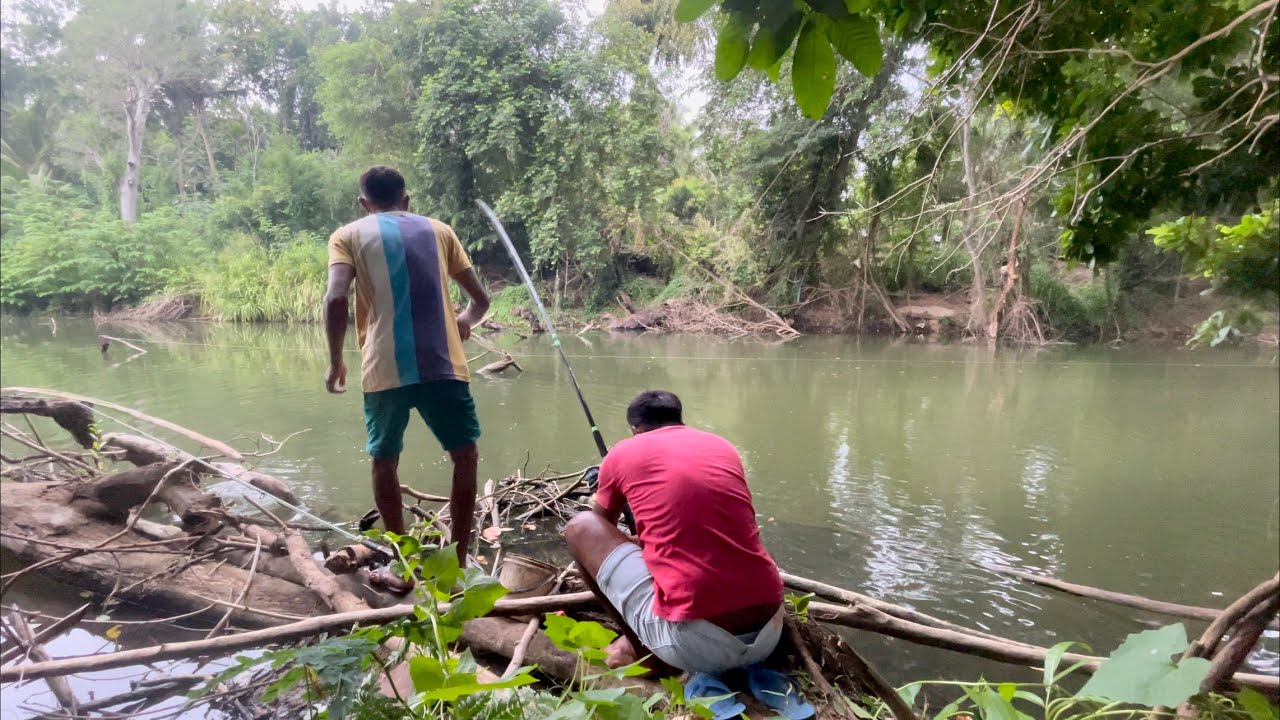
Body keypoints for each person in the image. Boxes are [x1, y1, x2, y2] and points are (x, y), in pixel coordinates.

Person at [323, 165, 490, 576]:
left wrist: (335, 360)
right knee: (464, 456)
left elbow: (334, 299)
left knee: (383, 459)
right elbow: (480, 301)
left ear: (364, 204)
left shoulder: (347, 235)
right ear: (406, 200)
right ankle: (461, 556)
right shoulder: (440, 230)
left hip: (383, 368)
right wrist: (464, 320)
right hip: (444, 365)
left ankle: (401, 561)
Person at [563, 390, 785, 675]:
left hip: (693, 648)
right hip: (768, 632)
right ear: (678, 419)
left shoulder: (623, 452)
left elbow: (599, 527)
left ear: (634, 429)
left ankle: (643, 651)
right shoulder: (722, 447)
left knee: (579, 527)